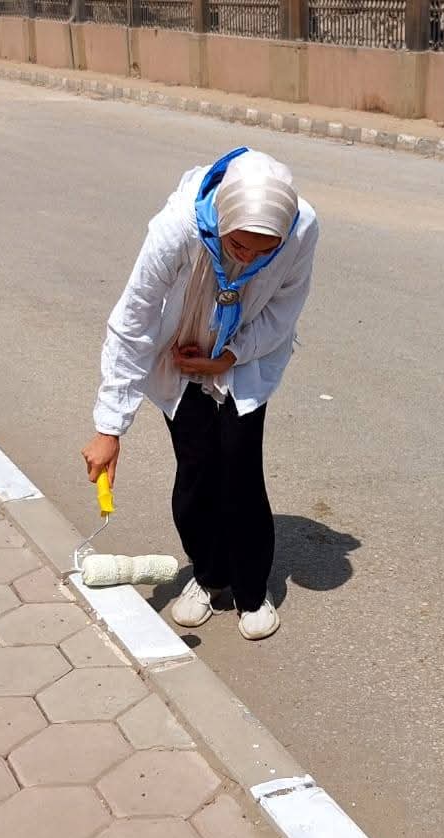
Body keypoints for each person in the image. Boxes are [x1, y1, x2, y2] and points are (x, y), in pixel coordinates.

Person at [84, 147, 318, 642]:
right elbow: (135, 317)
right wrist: (110, 427)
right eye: (238, 246)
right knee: (196, 467)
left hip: (246, 355)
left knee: (240, 468)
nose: (248, 258)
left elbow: (282, 310)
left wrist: (228, 357)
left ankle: (252, 590)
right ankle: (209, 576)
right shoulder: (179, 227)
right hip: (179, 353)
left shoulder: (300, 231)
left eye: (263, 251)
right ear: (222, 222)